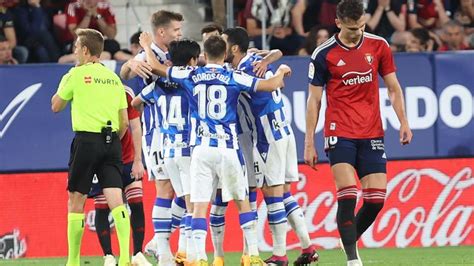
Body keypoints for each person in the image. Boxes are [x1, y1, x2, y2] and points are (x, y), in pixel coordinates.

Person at [140, 33, 291, 266]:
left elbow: (155, 67)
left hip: (200, 150)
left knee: (199, 205)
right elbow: (271, 85)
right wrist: (281, 71)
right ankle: (251, 255)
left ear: (205, 54)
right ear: (226, 54)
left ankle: (200, 258)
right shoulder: (234, 76)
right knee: (242, 202)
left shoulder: (192, 74)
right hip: (228, 148)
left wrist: (146, 47)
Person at [304, 0, 413, 265]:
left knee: (376, 199)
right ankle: (353, 260)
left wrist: (404, 121)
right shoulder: (323, 53)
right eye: (352, 28)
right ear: (338, 23)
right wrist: (309, 141)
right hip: (339, 130)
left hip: (372, 131)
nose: (357, 32)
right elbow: (314, 100)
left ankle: (348, 237)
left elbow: (394, 87)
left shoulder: (379, 45)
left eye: (361, 26)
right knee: (348, 192)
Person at [222, 26, 319, 266]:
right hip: (283, 132)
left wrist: (281, 70)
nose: (219, 46)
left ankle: (279, 255)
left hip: (266, 136)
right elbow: (275, 51)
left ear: (234, 48)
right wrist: (273, 59)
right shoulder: (254, 59)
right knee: (284, 193)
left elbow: (269, 81)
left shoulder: (244, 70)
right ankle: (308, 247)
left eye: (223, 42)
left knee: (271, 193)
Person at [50, 28, 131, 266]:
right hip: (112, 142)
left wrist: (67, 77)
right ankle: (125, 257)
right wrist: (112, 141)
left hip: (86, 141)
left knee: (76, 199)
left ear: (85, 50)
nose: (75, 52)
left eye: (76, 47)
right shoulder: (114, 78)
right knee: (117, 198)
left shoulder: (76, 75)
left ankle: (73, 261)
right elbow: (124, 121)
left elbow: (56, 106)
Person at [120, 10, 186, 266]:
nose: (179, 34)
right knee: (165, 189)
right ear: (161, 32)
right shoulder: (147, 56)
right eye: (176, 31)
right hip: (157, 133)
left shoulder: (175, 54)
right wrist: (128, 65)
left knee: (186, 191)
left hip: (180, 132)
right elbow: (126, 75)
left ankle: (158, 243)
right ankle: (165, 254)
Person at [131, 39, 201, 265]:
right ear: (191, 61)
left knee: (172, 196)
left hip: (167, 148)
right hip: (188, 149)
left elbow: (135, 102)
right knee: (192, 204)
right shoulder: (192, 80)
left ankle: (164, 254)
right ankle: (189, 254)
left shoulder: (157, 84)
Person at [88, 85, 150, 266]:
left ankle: (137, 253)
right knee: (102, 207)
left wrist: (139, 160)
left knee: (136, 203)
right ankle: (108, 256)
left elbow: (135, 126)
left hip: (127, 158)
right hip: (102, 160)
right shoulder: (89, 92)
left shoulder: (124, 92)